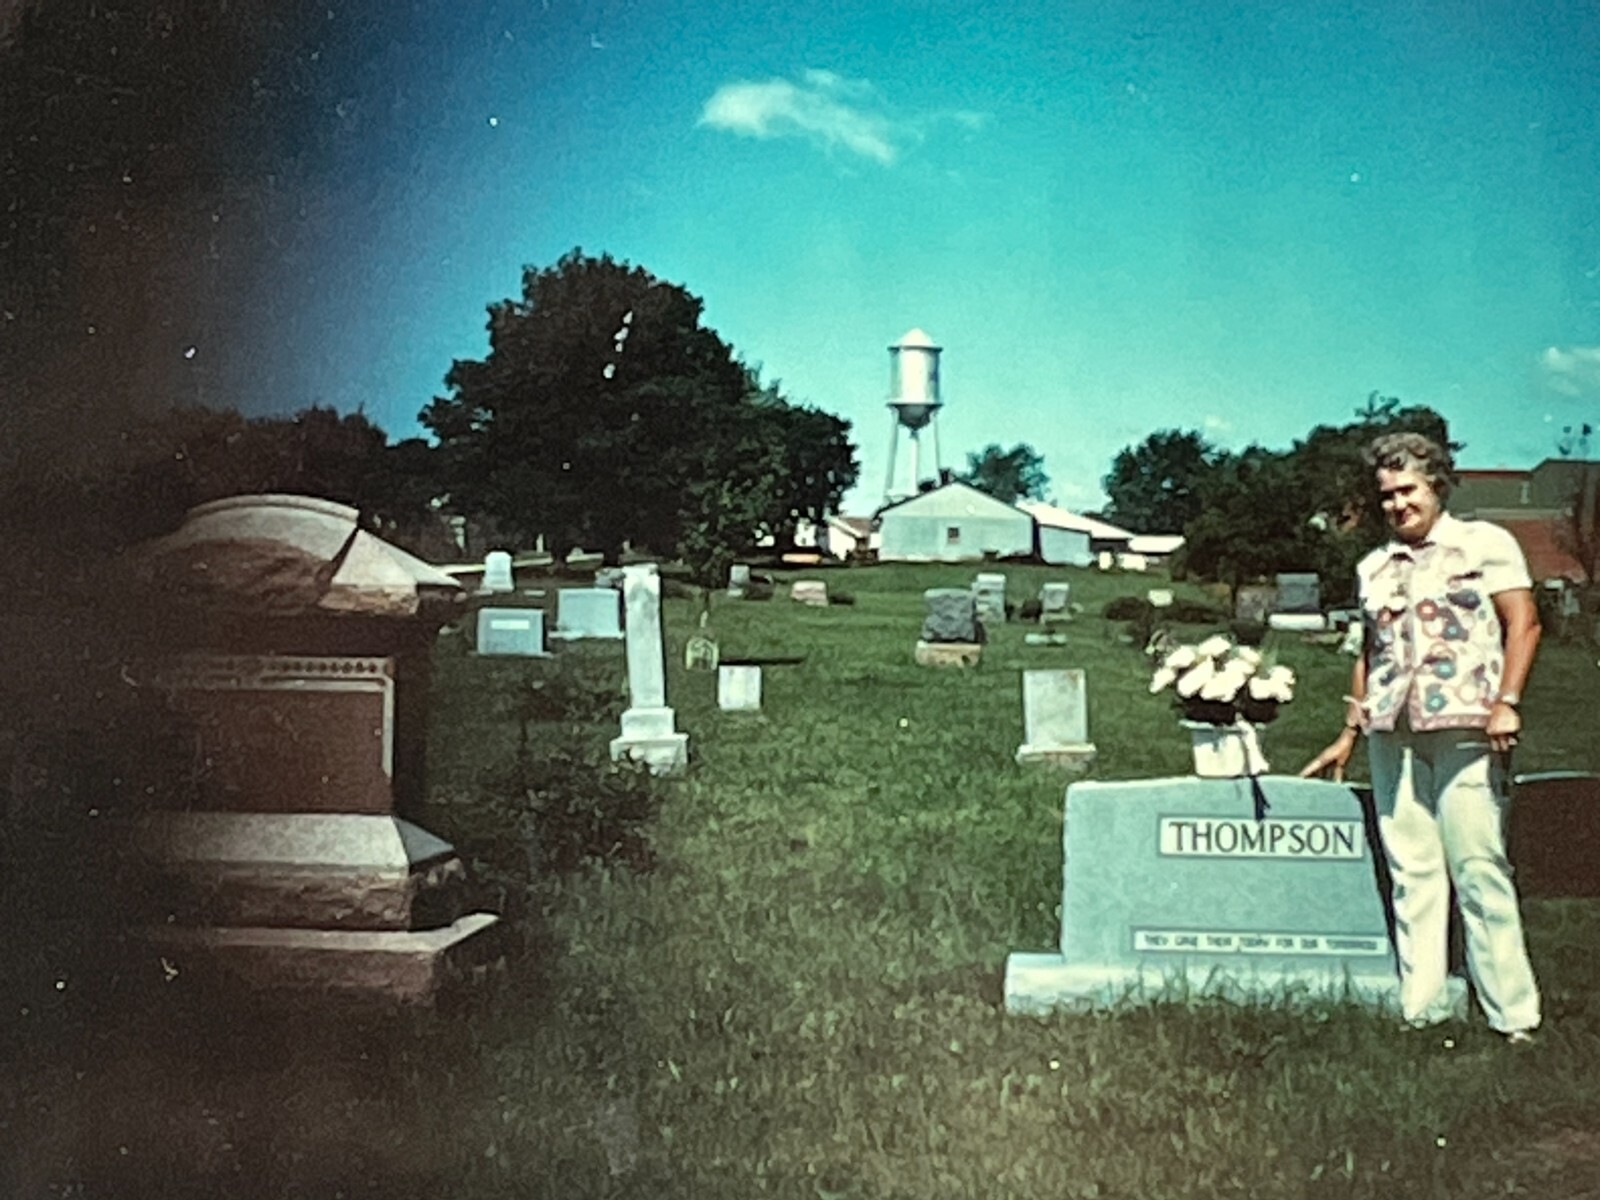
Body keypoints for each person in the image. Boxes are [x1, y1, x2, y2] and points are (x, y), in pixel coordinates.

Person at [1301, 431, 1542, 1042]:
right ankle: (1424, 1009)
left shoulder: (1484, 545)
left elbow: (1525, 624)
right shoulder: (1374, 567)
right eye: (1386, 495)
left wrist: (1507, 703)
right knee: (1413, 871)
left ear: (1437, 484)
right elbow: (1369, 653)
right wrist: (1349, 731)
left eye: (1407, 489)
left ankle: (1513, 1018)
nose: (1397, 504)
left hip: (1466, 727)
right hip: (1393, 731)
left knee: (1478, 865)